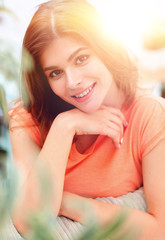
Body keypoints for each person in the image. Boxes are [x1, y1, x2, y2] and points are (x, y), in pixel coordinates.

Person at [8, 0, 165, 239]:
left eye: (81, 59)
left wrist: (64, 202)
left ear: (106, 50)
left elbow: (159, 229)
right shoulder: (27, 119)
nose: (72, 82)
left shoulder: (148, 115)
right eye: (55, 72)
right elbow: (29, 222)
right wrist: (65, 126)